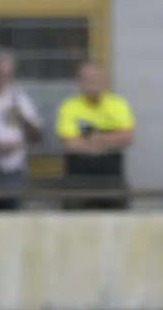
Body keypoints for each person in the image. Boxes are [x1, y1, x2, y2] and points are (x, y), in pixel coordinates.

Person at [56, 61, 135, 211]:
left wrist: (94, 139)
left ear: (104, 81)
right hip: (78, 178)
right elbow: (69, 143)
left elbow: (128, 137)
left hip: (111, 177)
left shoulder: (118, 104)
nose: (92, 84)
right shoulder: (69, 106)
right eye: (87, 80)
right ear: (79, 82)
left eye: (95, 79)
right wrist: (110, 139)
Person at [0, 49, 43, 211]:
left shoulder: (20, 99)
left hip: (15, 170)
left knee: (13, 220)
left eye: (3, 71)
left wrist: (22, 118)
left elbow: (37, 136)